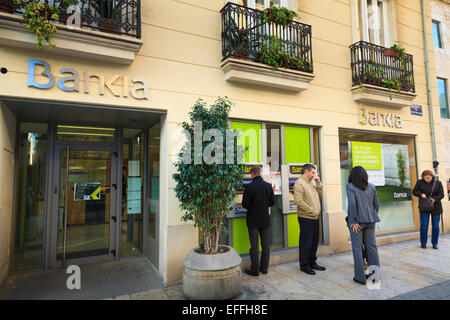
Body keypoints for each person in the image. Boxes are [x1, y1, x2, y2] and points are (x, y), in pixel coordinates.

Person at [346, 166, 381, 285]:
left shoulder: (350, 186)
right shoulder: (371, 186)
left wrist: (353, 221)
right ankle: (375, 277)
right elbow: (376, 204)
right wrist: (372, 216)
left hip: (358, 223)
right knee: (372, 248)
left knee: (357, 249)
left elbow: (351, 204)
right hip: (371, 221)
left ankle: (360, 278)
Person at [242, 166, 275, 276]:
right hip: (265, 219)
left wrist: (253, 207)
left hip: (253, 220)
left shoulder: (249, 187)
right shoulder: (268, 186)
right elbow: (272, 203)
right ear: (260, 173)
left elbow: (245, 204)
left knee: (254, 245)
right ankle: (264, 268)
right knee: (265, 244)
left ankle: (255, 270)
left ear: (252, 174)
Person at [293, 164, 325, 275]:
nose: (314, 175)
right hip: (306, 217)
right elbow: (299, 201)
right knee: (306, 242)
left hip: (315, 217)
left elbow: (320, 194)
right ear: (307, 172)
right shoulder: (299, 184)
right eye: (313, 173)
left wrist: (318, 183)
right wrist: (312, 210)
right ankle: (304, 265)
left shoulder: (311, 183)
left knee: (314, 241)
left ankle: (312, 262)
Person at [412, 170, 444, 249]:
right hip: (424, 206)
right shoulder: (420, 182)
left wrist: (434, 199)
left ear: (432, 176)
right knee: (424, 225)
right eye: (425, 178)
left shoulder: (438, 183)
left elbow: (442, 194)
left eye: (428, 178)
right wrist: (420, 194)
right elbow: (414, 191)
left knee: (435, 226)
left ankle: (435, 243)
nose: (427, 180)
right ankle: (423, 242)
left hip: (436, 207)